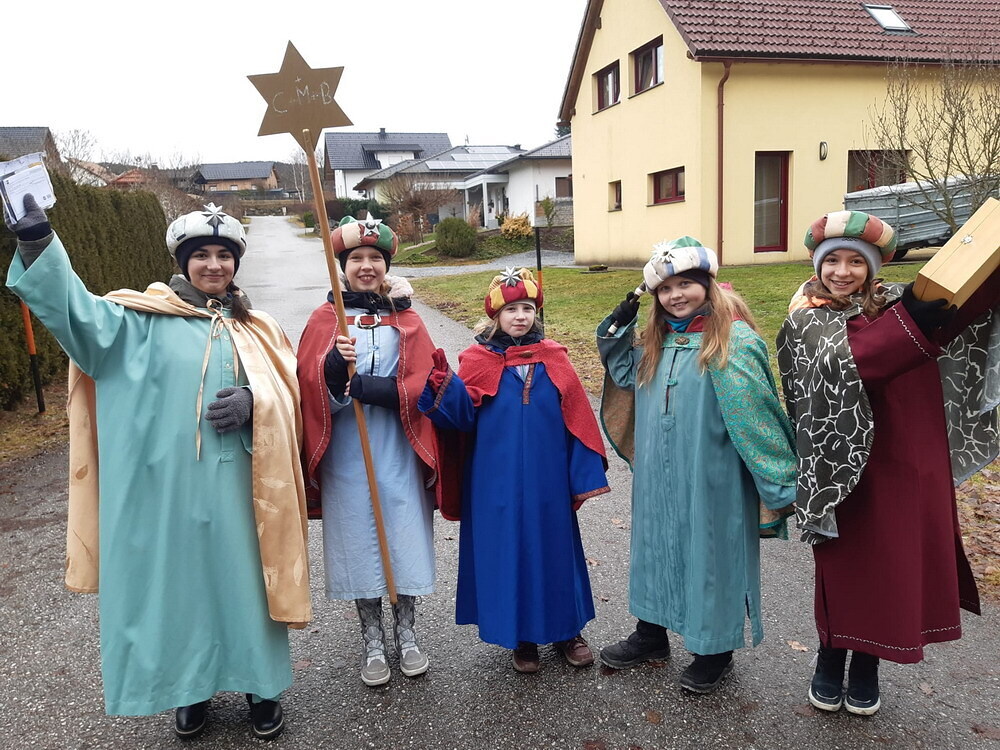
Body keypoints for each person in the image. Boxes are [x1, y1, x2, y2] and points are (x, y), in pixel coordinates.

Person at [5, 197, 310, 741]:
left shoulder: (259, 325)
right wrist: (38, 244)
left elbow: (291, 390)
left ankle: (262, 687)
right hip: (167, 489)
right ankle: (189, 689)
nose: (214, 265)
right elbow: (76, 315)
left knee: (246, 585)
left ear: (236, 262)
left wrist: (255, 399)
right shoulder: (135, 322)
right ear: (182, 261)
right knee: (180, 588)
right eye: (202, 255)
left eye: (224, 255)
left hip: (244, 489)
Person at [777, 210, 995, 715]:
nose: (843, 272)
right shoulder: (806, 317)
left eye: (857, 261)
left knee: (890, 562)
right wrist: (913, 322)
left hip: (903, 459)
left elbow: (961, 314)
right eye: (833, 260)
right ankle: (830, 655)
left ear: (873, 267)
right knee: (844, 562)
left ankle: (868, 662)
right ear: (818, 264)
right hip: (838, 463)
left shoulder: (902, 302)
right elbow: (855, 361)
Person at [596, 237, 796, 694]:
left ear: (707, 284)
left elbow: (757, 417)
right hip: (658, 476)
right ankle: (651, 634)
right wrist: (618, 323)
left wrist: (781, 485)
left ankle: (714, 651)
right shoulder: (654, 341)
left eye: (685, 284)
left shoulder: (732, 342)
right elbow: (622, 372)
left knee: (711, 559)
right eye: (665, 289)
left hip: (713, 478)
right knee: (654, 550)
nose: (675, 295)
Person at [418, 267, 610, 673]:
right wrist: (444, 386)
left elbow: (577, 417)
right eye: (511, 309)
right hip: (495, 481)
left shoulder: (554, 357)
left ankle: (567, 631)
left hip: (547, 478)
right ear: (495, 315)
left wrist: (580, 473)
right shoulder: (477, 360)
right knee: (508, 552)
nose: (520, 316)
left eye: (527, 308)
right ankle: (522, 636)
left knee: (554, 548)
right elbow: (461, 419)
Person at [297, 215, 441, 687]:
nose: (366, 266)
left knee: (402, 534)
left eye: (374, 258)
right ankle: (372, 638)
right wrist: (331, 372)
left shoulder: (408, 318)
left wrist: (383, 390)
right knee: (359, 537)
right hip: (347, 450)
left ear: (386, 265)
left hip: (398, 444)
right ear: (342, 265)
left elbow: (430, 377)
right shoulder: (325, 319)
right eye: (356, 257)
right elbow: (305, 381)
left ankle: (408, 633)